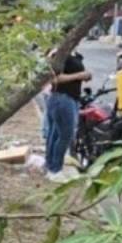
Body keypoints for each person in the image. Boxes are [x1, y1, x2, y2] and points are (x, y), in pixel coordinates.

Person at [44, 50, 92, 182]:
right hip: (62, 98)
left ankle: (50, 166)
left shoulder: (75, 54)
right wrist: (79, 75)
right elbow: (54, 78)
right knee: (65, 136)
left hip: (71, 98)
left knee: (55, 135)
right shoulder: (59, 54)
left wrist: (85, 75)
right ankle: (55, 170)